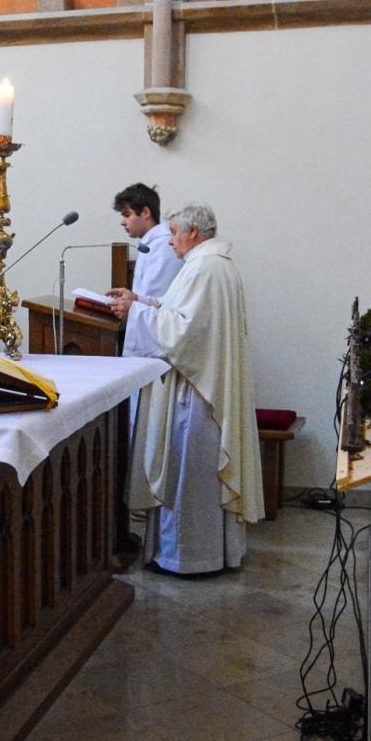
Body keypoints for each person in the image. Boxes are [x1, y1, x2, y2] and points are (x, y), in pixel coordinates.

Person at [110, 202, 264, 575]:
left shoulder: (205, 268)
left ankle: (186, 558)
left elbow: (183, 331)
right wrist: (141, 302)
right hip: (202, 383)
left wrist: (137, 314)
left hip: (196, 394)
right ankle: (208, 553)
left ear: (193, 233)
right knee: (192, 473)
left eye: (176, 234)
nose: (171, 242)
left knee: (187, 473)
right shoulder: (209, 265)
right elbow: (175, 309)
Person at [105, 183, 183, 359]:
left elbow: (160, 301)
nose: (122, 222)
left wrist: (131, 306)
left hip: (157, 343)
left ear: (146, 213)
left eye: (127, 215)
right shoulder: (150, 242)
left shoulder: (164, 245)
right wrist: (130, 299)